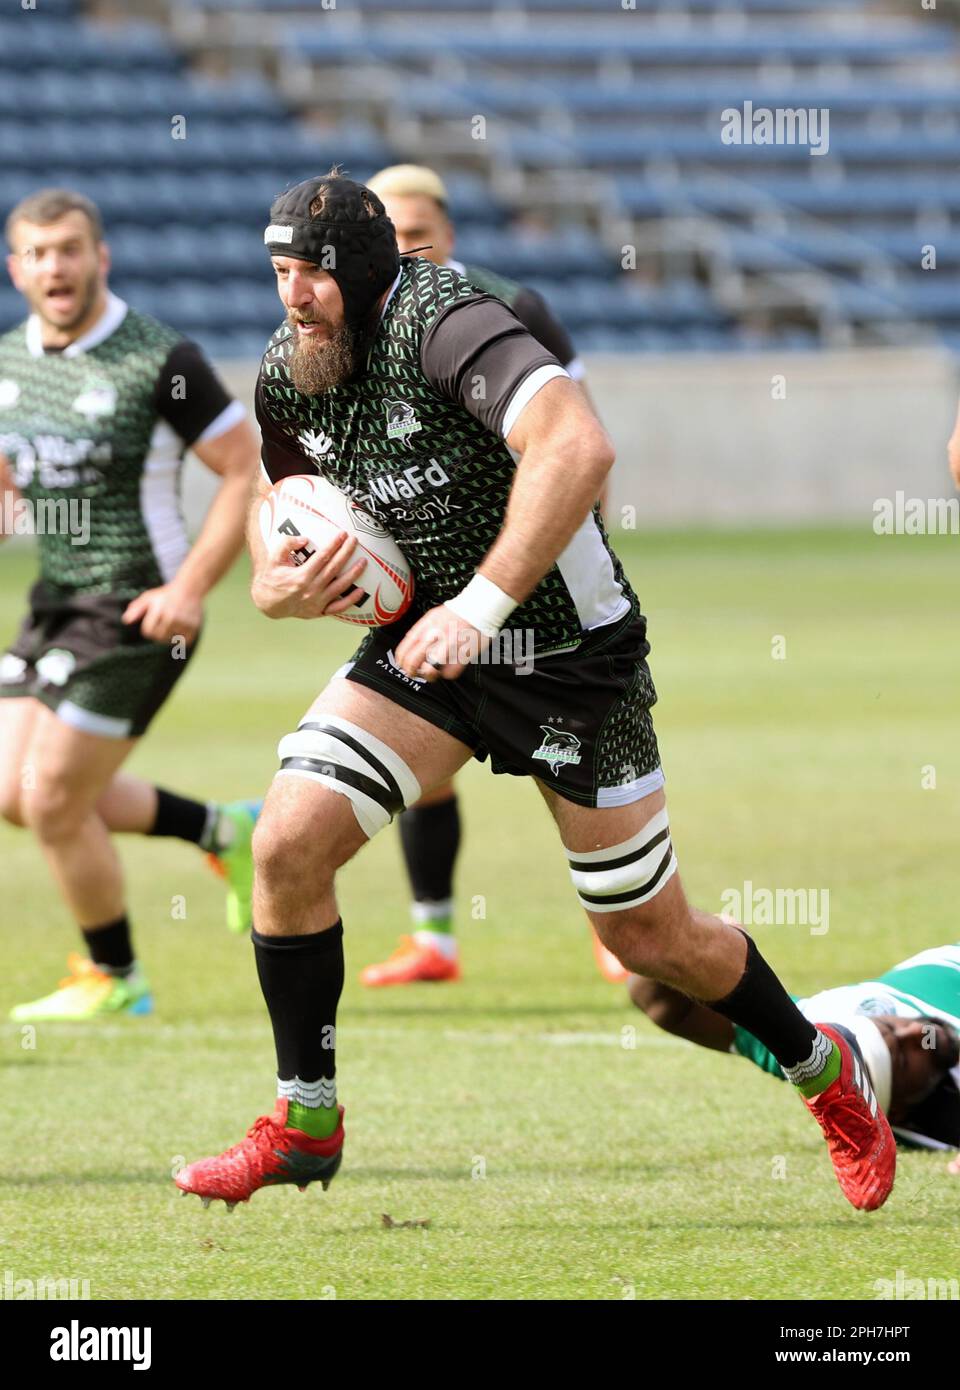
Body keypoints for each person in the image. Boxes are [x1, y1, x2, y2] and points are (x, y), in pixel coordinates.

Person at [174, 169, 894, 1215]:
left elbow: (576, 443)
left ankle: (824, 1074)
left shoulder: (451, 325)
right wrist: (271, 579)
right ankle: (306, 1119)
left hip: (567, 657)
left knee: (649, 939)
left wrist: (484, 600)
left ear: (367, 272)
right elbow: (279, 499)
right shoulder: (292, 372)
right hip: (427, 652)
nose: (292, 297)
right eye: (279, 272)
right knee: (287, 842)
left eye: (312, 275)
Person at [0, 189, 261, 1021]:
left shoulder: (160, 358)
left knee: (51, 802)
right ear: (16, 269)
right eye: (37, 254)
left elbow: (242, 468)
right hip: (55, 604)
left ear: (100, 257)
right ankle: (223, 830)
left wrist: (188, 590)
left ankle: (115, 978)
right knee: (13, 791)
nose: (55, 267)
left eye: (70, 249)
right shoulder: (10, 361)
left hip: (140, 607)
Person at [361, 162, 621, 986]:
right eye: (386, 238)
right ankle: (434, 940)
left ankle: (618, 928)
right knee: (416, 771)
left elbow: (580, 436)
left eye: (415, 237)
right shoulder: (354, 323)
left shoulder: (513, 307)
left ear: (447, 236)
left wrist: (590, 540)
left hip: (524, 577)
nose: (402, 252)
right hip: (417, 580)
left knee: (567, 763)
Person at [630, 940, 960, 1154]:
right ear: (895, 1112)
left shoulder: (813, 1038)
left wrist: (694, 938)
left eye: (889, 1025)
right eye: (904, 1058)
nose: (915, 1031)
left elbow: (659, 1000)